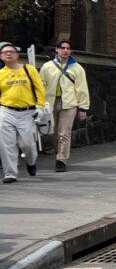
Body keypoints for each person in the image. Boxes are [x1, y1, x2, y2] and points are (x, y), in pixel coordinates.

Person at [39, 40, 90, 172]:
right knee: (51, 131)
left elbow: (82, 89)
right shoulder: (47, 66)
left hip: (69, 103)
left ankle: (61, 159)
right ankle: (58, 152)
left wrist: (83, 108)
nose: (65, 50)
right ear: (57, 49)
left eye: (68, 48)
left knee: (64, 133)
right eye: (63, 48)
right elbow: (41, 85)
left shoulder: (77, 68)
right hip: (50, 102)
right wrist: (39, 104)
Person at [0, 41, 45, 183]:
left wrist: (40, 106)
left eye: (11, 52)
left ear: (17, 55)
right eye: (5, 52)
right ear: (1, 56)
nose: (8, 54)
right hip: (6, 111)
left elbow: (39, 88)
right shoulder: (1, 73)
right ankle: (10, 173)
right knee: (7, 144)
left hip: (27, 112)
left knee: (27, 144)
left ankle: (31, 162)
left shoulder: (28, 69)